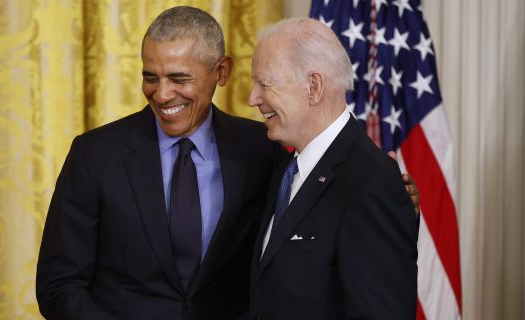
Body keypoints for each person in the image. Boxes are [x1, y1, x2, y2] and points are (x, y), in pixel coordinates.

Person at [36, 6, 419, 320]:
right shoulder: (95, 154)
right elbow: (58, 285)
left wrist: (396, 200)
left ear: (220, 72)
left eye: (179, 78)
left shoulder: (263, 151)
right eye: (150, 77)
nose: (162, 92)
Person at [247, 18, 418, 319]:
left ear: (313, 86)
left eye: (264, 83)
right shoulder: (285, 170)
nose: (252, 99)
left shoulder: (371, 182)